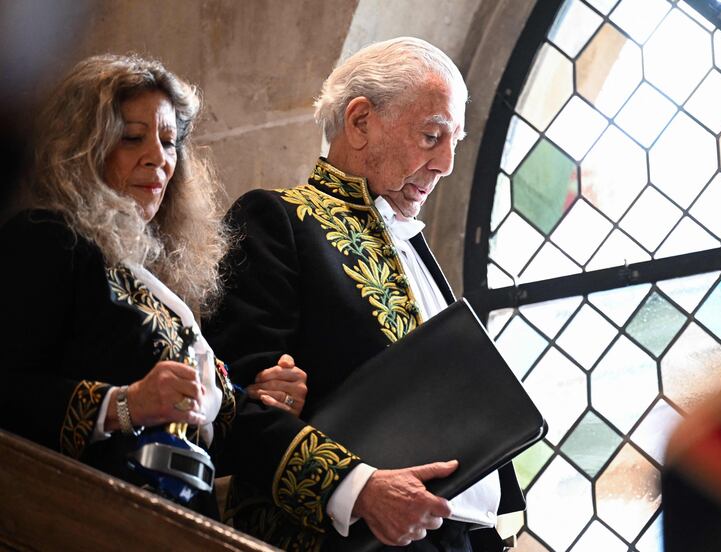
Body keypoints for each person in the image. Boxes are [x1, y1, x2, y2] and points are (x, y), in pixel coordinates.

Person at [0, 54, 456, 545]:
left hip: (182, 525)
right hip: (82, 521)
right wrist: (124, 405)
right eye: (132, 137)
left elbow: (223, 429)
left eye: (170, 141)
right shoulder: (47, 238)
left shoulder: (161, 284)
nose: (158, 158)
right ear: (80, 145)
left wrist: (258, 396)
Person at [204, 37, 524, 551]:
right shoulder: (278, 220)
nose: (446, 162)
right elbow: (229, 403)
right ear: (359, 122)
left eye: (455, 141)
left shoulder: (412, 246)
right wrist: (357, 489)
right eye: (431, 136)